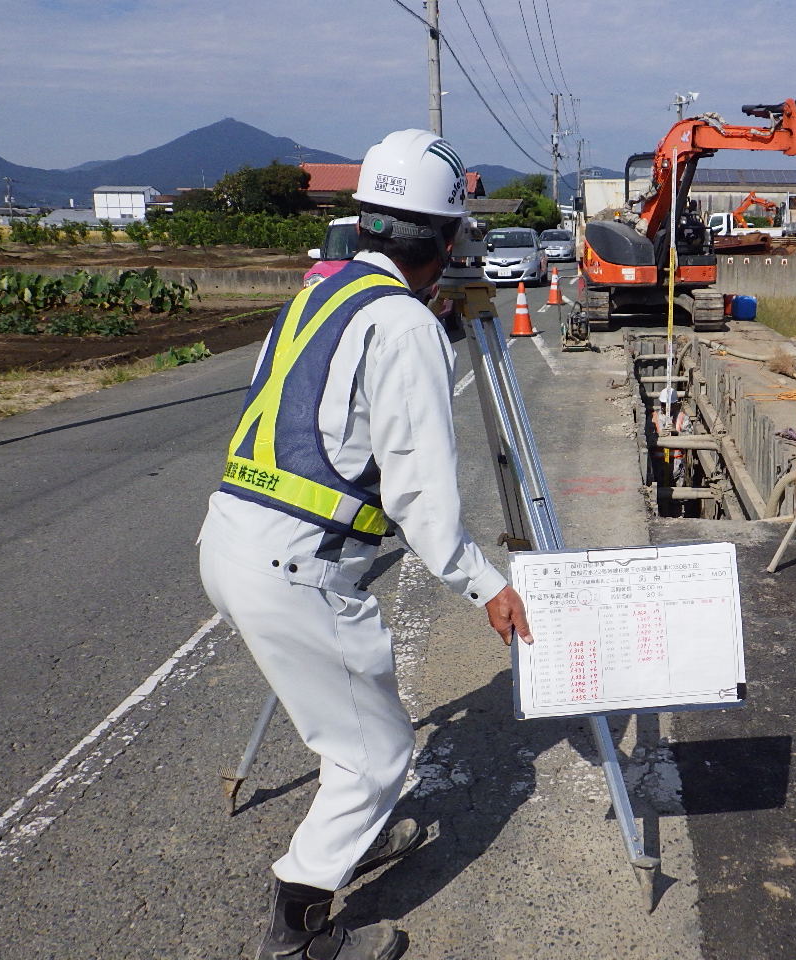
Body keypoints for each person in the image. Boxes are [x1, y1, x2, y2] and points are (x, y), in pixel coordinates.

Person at [198, 129, 532, 960]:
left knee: (348, 730)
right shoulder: (404, 327)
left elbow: (328, 409)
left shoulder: (322, 293)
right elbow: (422, 501)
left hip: (232, 537)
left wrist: (435, 326)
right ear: (449, 238)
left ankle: (346, 843)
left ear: (366, 223)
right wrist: (488, 583)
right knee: (376, 755)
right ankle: (299, 926)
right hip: (296, 568)